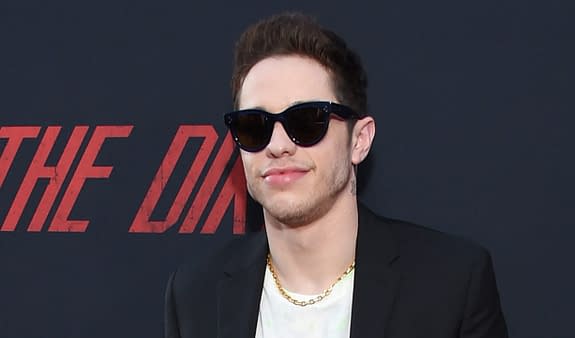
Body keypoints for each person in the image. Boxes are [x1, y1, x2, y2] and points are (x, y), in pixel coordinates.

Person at [165, 12, 509, 338]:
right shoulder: (195, 294)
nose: (278, 145)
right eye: (255, 127)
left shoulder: (449, 285)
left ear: (359, 140)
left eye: (306, 121)